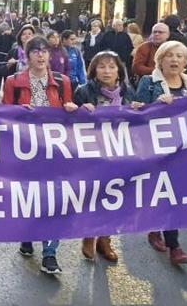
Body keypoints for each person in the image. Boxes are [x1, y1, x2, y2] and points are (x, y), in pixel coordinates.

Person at [135, 40, 187, 266]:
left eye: (180, 56)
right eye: (169, 55)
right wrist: (155, 104)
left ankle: (163, 236)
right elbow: (135, 111)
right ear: (160, 60)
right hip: (156, 151)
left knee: (173, 195)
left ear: (186, 62)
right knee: (163, 194)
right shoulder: (149, 82)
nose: (174, 60)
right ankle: (171, 243)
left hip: (184, 153)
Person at [2, 36, 77, 275]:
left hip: (54, 151)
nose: (41, 55)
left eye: (45, 51)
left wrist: (71, 109)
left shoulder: (62, 82)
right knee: (29, 197)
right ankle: (27, 233)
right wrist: (16, 112)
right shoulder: (14, 81)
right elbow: (4, 116)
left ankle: (50, 253)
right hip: (24, 150)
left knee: (53, 200)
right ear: (27, 54)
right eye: (35, 51)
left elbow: (69, 112)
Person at [72, 51, 143, 263]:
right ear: (94, 70)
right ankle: (88, 235)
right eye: (101, 66)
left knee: (114, 198)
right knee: (93, 196)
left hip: (120, 153)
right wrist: (79, 110)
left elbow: (140, 122)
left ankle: (105, 239)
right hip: (93, 153)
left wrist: (139, 110)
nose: (106, 71)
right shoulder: (83, 91)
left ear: (119, 72)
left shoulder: (128, 92)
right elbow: (68, 122)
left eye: (111, 67)